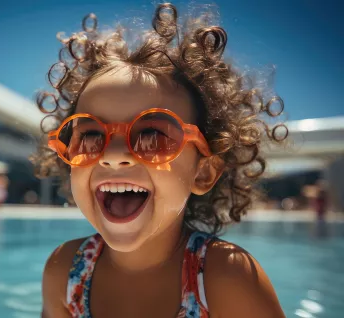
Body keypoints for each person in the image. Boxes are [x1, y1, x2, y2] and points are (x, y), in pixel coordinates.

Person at [32, 3, 287, 317]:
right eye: (91, 137)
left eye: (152, 136)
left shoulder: (227, 280)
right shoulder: (65, 273)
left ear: (203, 172)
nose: (113, 156)